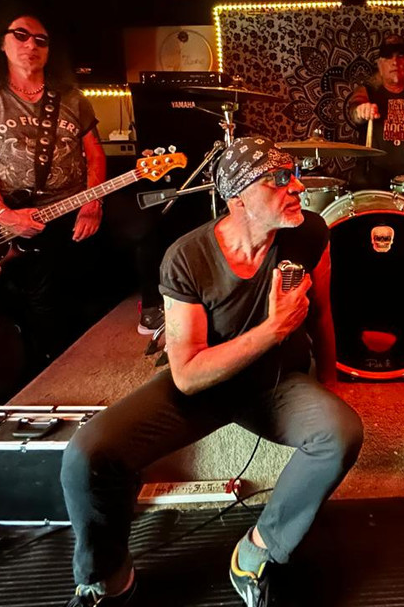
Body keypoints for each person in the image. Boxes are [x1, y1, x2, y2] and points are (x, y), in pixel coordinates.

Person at [60, 136, 363, 607]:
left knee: (339, 434)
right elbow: (186, 374)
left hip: (276, 383)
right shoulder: (187, 258)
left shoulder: (310, 232)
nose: (298, 187)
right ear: (237, 198)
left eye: (295, 174)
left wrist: (331, 382)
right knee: (87, 454)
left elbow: (322, 313)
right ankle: (109, 577)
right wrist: (274, 329)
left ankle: (257, 551)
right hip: (204, 385)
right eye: (278, 179)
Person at [0, 1, 106, 361]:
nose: (31, 45)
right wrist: (2, 213)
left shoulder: (72, 98)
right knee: (37, 300)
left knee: (85, 288)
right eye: (20, 35)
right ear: (0, 41)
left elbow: (95, 154)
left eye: (41, 40)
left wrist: (92, 203)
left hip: (70, 209)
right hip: (15, 213)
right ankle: (49, 366)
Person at [346, 33, 404, 190]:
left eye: (401, 56)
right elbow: (355, 111)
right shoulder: (366, 91)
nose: (395, 62)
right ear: (380, 65)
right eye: (388, 57)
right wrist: (361, 110)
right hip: (375, 177)